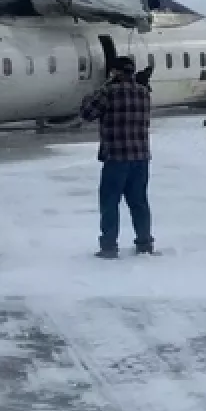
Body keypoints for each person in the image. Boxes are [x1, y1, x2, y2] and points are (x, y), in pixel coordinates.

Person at [81, 55, 155, 258]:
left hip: (116, 157)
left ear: (115, 72)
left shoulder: (108, 92)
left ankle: (109, 246)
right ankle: (144, 242)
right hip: (140, 157)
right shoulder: (144, 93)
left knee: (110, 202)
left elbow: (87, 113)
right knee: (139, 202)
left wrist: (96, 92)